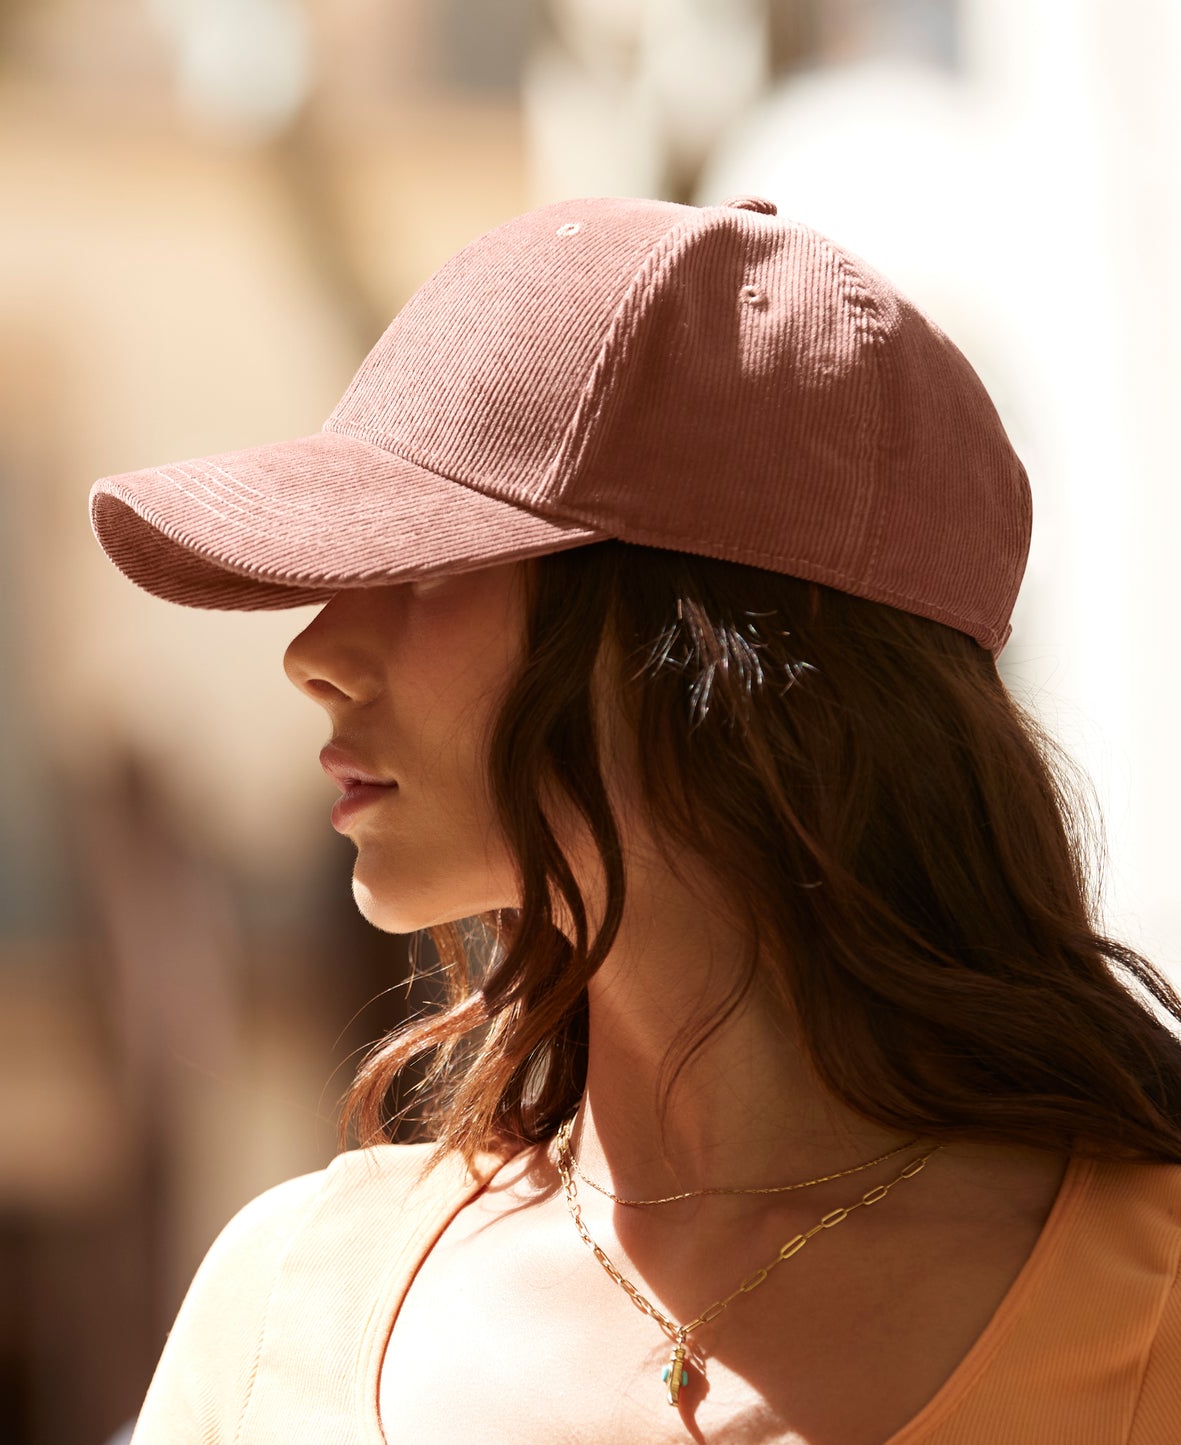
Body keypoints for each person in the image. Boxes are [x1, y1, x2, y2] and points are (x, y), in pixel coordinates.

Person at [87, 195, 1181, 1444]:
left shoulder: (1148, 1300)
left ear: (707, 647)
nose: (313, 653)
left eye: (425, 565)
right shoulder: (282, 1301)